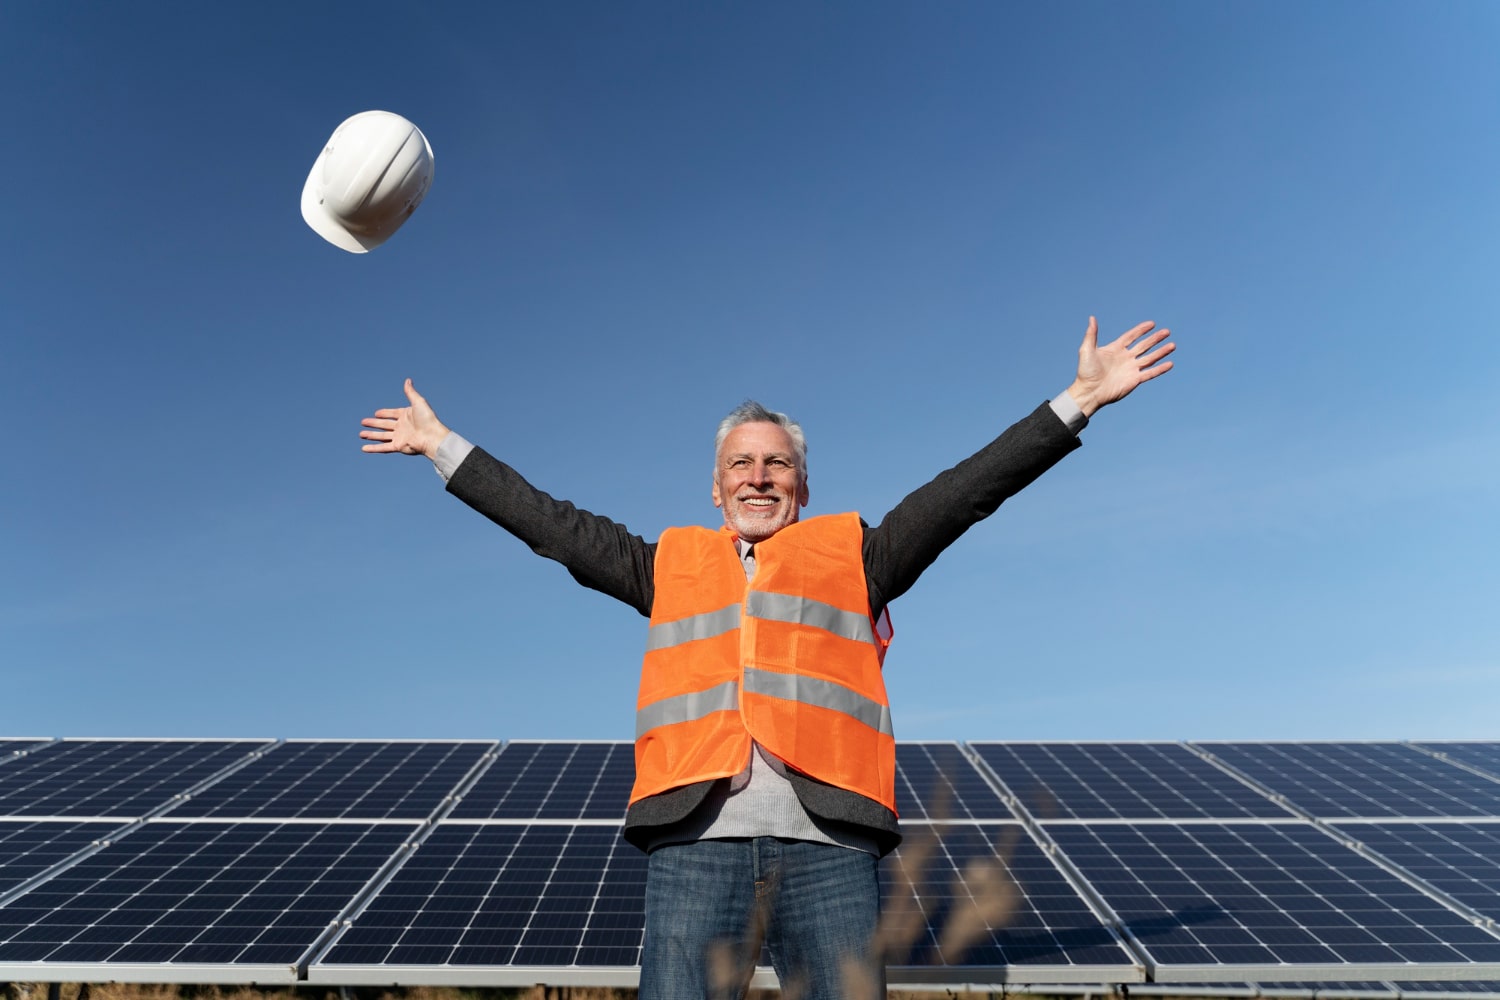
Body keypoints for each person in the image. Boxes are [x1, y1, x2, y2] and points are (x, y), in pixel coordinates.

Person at [359, 316, 1175, 999]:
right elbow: (550, 525)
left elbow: (964, 493)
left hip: (831, 853)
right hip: (694, 849)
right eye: (740, 465)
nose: (759, 477)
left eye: (777, 462)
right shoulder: (664, 566)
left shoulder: (857, 557)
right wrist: (442, 447)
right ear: (715, 490)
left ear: (803, 487)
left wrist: (1077, 402)